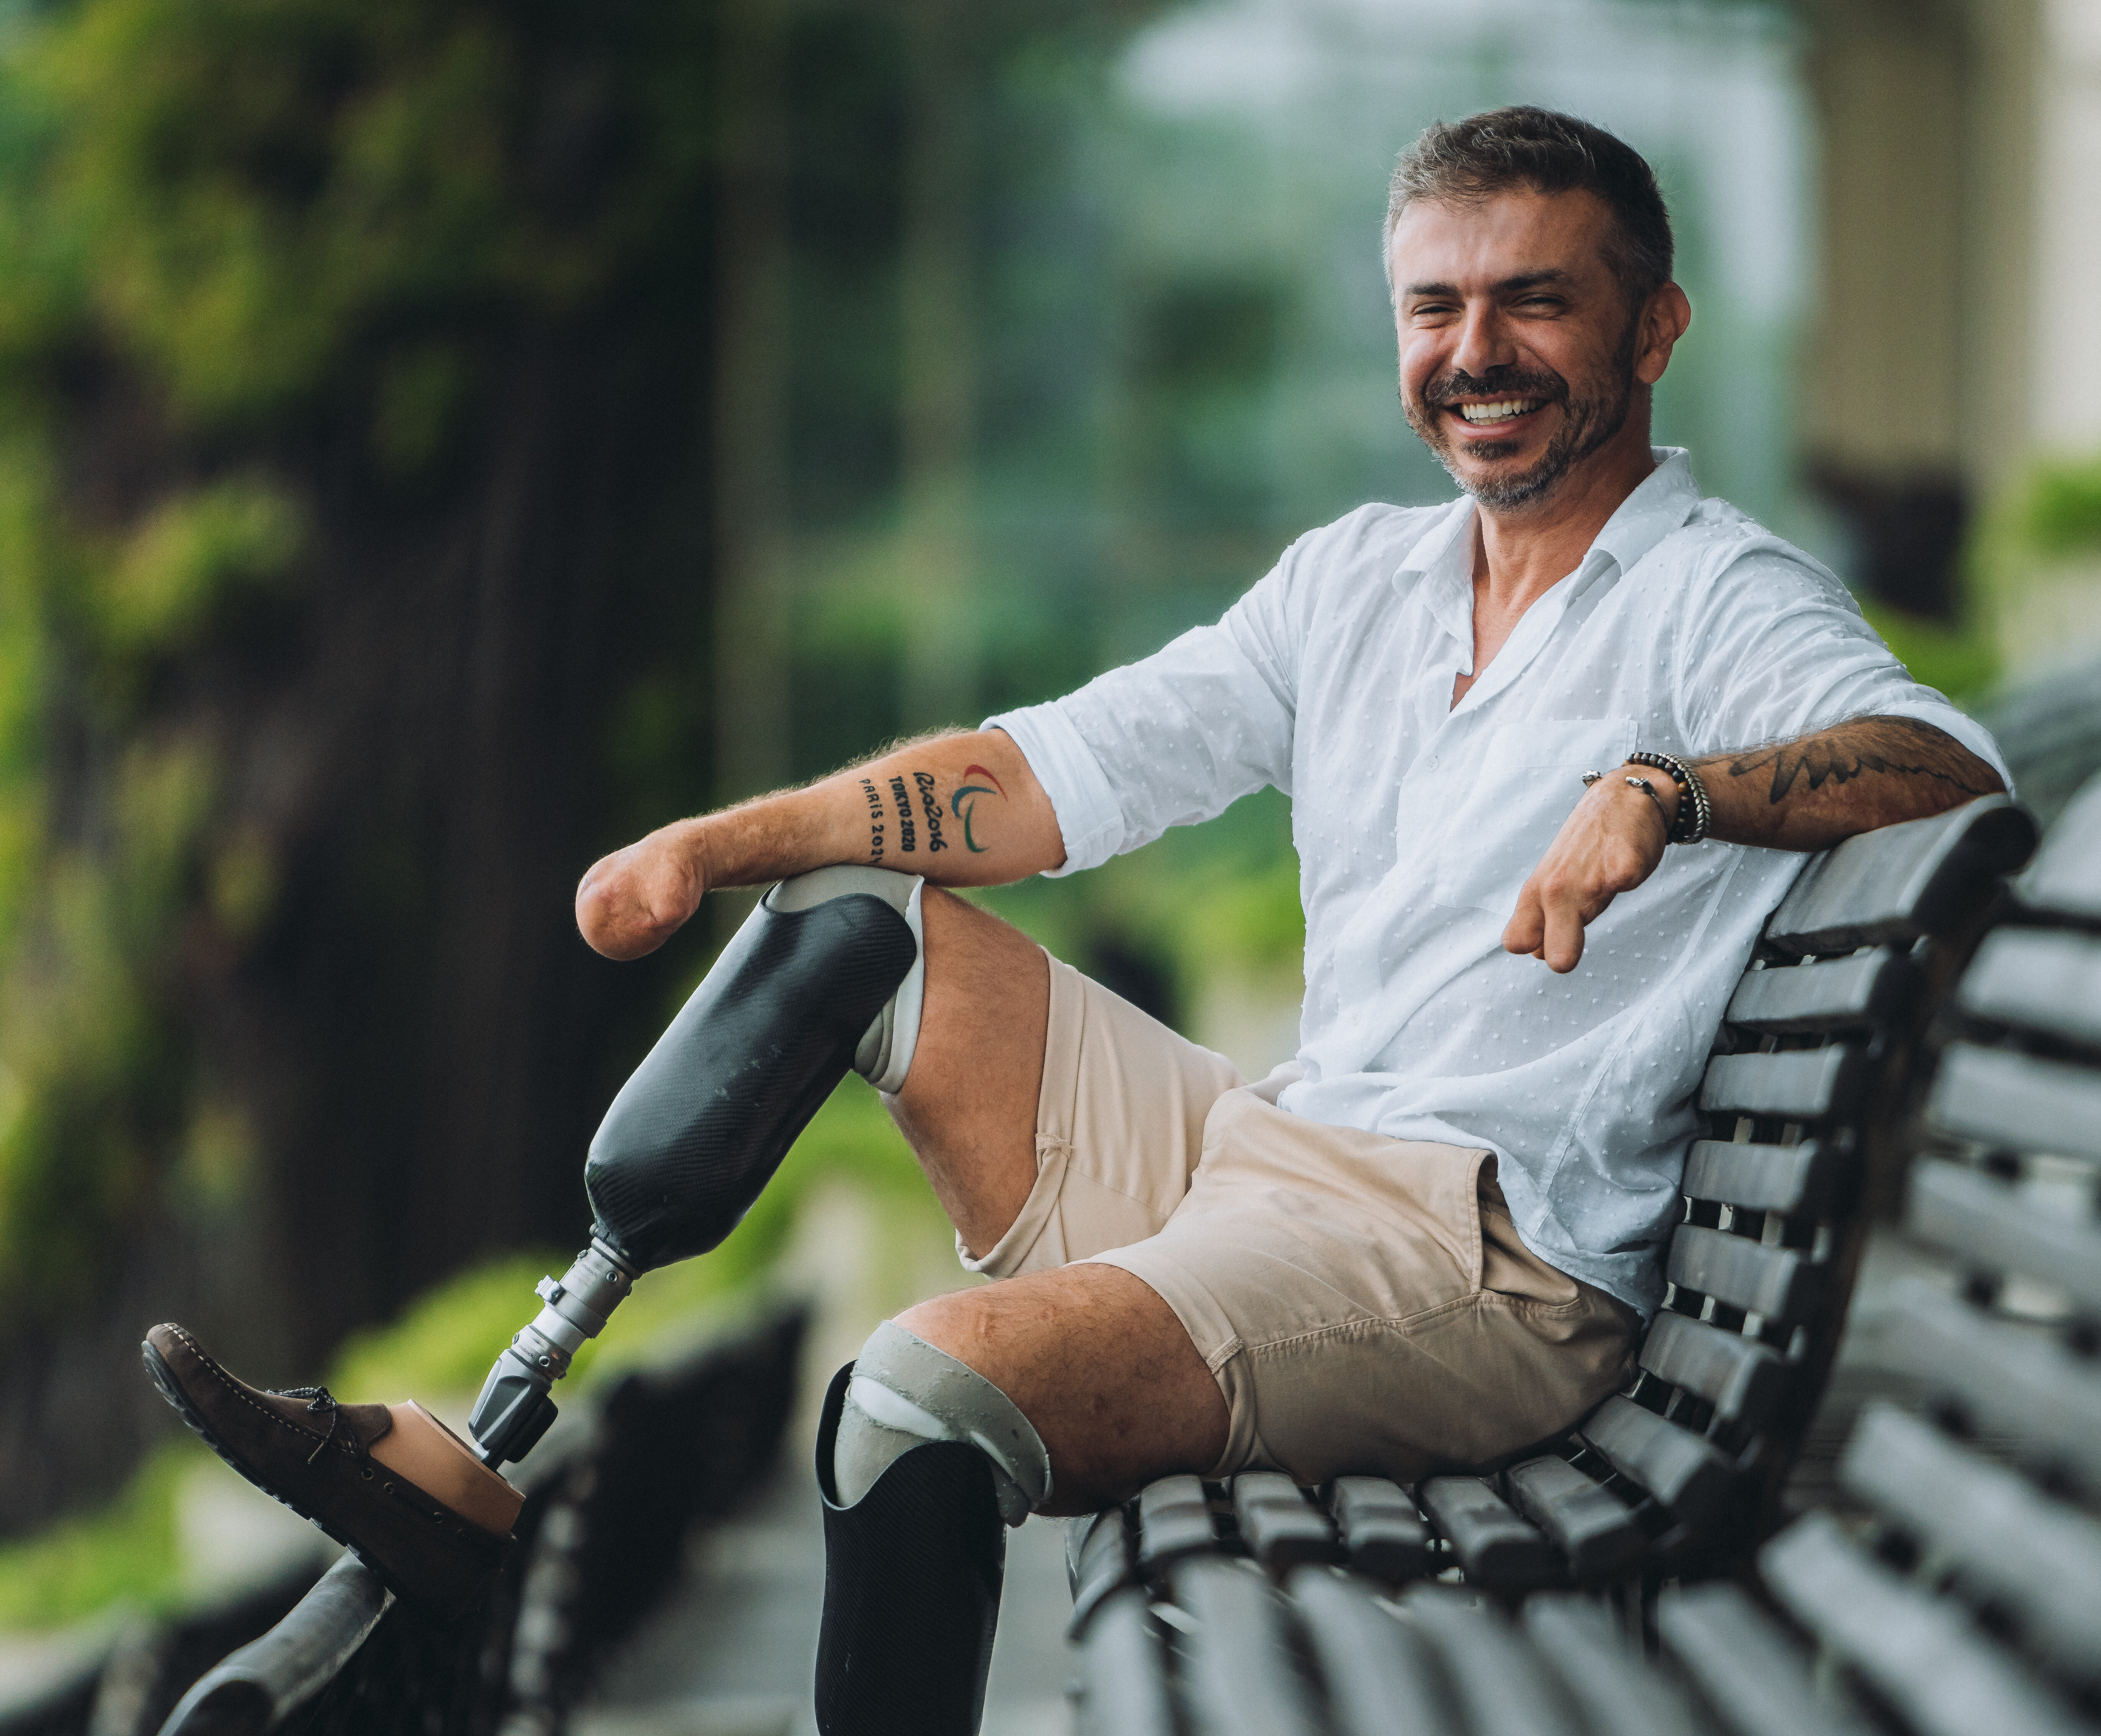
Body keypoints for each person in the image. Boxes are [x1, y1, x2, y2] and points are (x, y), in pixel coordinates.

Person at [147, 106, 2006, 1730]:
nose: (1476, 350)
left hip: (1482, 1259)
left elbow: (1951, 773)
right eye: (1435, 306)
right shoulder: (1363, 579)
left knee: (912, 1400)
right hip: (1269, 1154)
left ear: (1654, 326)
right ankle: (487, 1437)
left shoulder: (1709, 596)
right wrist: (718, 843)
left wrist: (1672, 787)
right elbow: (1058, 769)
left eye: (1536, 300)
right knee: (858, 907)